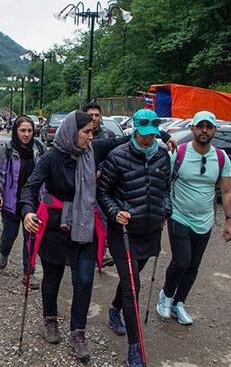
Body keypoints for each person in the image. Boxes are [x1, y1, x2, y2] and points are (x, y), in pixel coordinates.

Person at [20, 110, 135, 362]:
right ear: (73, 133)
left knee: (84, 281)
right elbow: (30, 187)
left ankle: (78, 331)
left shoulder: (92, 152)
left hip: (84, 226)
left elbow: (124, 140)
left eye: (93, 132)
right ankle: (50, 320)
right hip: (54, 228)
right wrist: (28, 212)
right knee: (52, 278)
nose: (91, 137)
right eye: (86, 133)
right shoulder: (51, 158)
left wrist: (159, 134)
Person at [97, 108, 172, 367]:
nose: (147, 139)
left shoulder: (162, 155)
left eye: (152, 135)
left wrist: (167, 209)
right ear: (136, 131)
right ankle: (135, 348)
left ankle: (114, 309)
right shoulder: (118, 157)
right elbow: (103, 191)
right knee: (133, 287)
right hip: (124, 233)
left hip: (150, 231)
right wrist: (115, 211)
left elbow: (166, 188)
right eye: (143, 134)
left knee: (132, 280)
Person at [156, 111, 231, 325]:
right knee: (181, 261)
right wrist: (163, 211)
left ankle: (178, 303)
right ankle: (166, 295)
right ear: (192, 129)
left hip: (205, 220)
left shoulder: (221, 158)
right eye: (200, 126)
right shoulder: (178, 153)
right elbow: (164, 183)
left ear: (215, 130)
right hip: (179, 215)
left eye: (209, 127)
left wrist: (230, 221)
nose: (204, 131)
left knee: (193, 266)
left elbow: (227, 190)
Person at [0, 116, 46, 289]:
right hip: (11, 202)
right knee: (9, 234)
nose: (26, 134)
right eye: (22, 130)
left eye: (29, 130)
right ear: (15, 131)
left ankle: (28, 272)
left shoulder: (40, 148)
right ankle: (3, 252)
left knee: (31, 238)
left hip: (33, 202)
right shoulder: (6, 149)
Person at [83, 101, 116, 268]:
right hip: (84, 184)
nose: (94, 118)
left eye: (97, 115)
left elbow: (114, 157)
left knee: (104, 215)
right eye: (91, 115)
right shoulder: (79, 133)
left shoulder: (108, 134)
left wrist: (101, 172)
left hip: (104, 183)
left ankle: (103, 251)